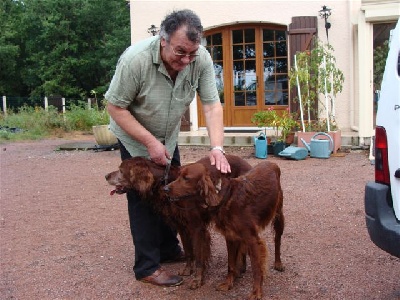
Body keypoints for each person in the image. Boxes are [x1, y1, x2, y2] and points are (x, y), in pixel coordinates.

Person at [105, 9, 231, 287]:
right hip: (135, 136)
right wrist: (149, 143)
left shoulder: (200, 59)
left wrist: (217, 147)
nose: (186, 61)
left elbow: (211, 105)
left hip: (168, 136)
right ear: (162, 40)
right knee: (143, 195)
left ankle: (168, 247)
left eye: (192, 54)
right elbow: (115, 106)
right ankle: (147, 266)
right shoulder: (135, 61)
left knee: (171, 193)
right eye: (180, 52)